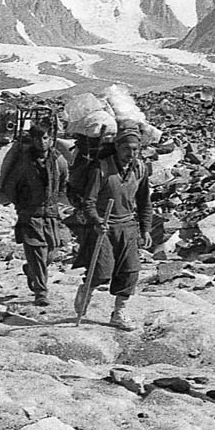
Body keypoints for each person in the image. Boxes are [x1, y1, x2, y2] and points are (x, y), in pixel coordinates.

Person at [73, 125, 153, 329]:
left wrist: (146, 228)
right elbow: (89, 202)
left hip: (128, 226)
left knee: (130, 272)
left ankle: (119, 313)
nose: (131, 154)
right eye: (127, 148)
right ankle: (86, 290)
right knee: (102, 272)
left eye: (135, 149)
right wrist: (97, 221)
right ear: (117, 147)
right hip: (104, 227)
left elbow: (144, 201)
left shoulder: (140, 169)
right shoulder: (102, 169)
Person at [0, 124, 70, 306]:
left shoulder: (58, 160)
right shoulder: (24, 162)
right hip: (30, 215)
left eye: (45, 138)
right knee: (38, 252)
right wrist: (21, 205)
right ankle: (41, 292)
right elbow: (10, 185)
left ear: (52, 139)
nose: (42, 142)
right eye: (38, 138)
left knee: (52, 252)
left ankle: (31, 270)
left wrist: (57, 200)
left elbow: (63, 181)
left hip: (51, 214)